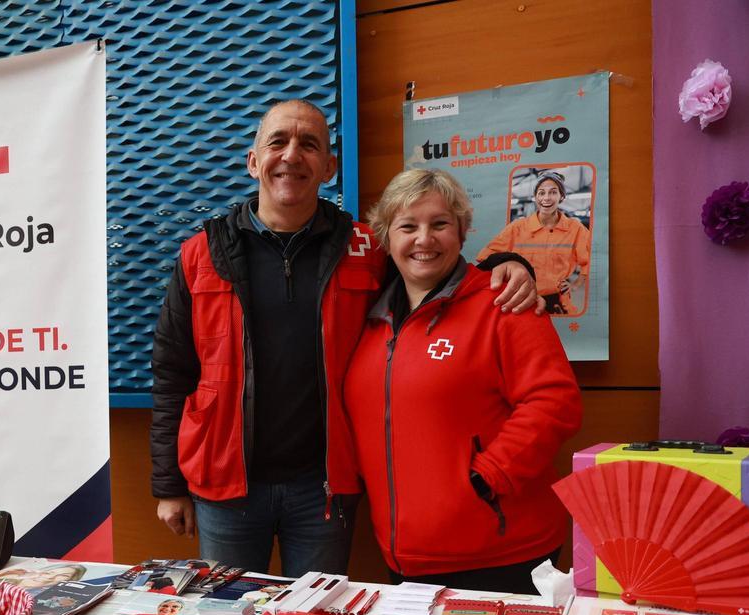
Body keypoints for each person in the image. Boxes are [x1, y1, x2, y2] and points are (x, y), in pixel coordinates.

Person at [150, 99, 542, 578]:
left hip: (325, 489)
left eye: (309, 144)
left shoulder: (364, 249)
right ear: (253, 161)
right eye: (278, 141)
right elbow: (173, 373)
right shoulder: (200, 253)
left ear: (329, 167)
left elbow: (436, 275)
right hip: (226, 487)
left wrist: (508, 266)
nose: (292, 155)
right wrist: (168, 484)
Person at [343, 169, 582, 594]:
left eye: (439, 224)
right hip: (405, 556)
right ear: (385, 237)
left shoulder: (503, 302)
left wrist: (487, 478)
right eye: (408, 226)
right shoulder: (368, 318)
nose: (424, 239)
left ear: (462, 230)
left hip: (499, 552)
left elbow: (554, 402)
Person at [477, 170, 591, 315]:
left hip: (557, 300)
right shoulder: (517, 228)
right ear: (535, 197)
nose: (546, 198)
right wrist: (509, 267)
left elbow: (589, 259)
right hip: (522, 299)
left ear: (561, 196)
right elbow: (486, 257)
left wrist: (575, 285)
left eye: (553, 192)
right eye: (541, 193)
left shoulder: (575, 229)